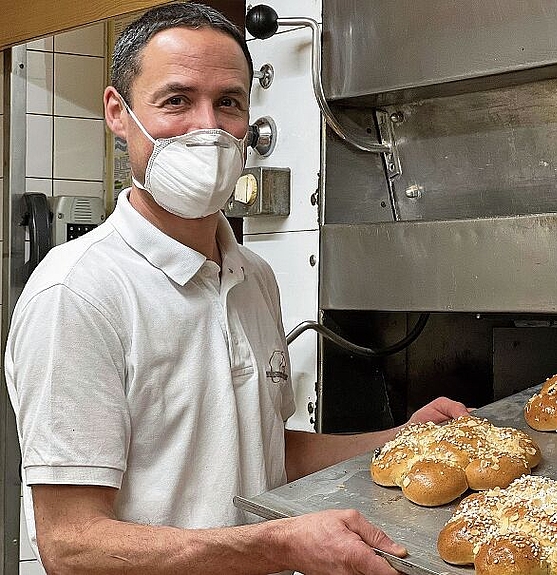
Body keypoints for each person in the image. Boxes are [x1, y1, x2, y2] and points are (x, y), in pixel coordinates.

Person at [4, 4, 470, 575]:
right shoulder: (78, 293)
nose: (208, 127)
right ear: (118, 114)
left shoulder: (254, 277)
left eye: (228, 102)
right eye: (177, 100)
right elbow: (71, 546)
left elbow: (265, 450)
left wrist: (401, 438)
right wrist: (279, 544)